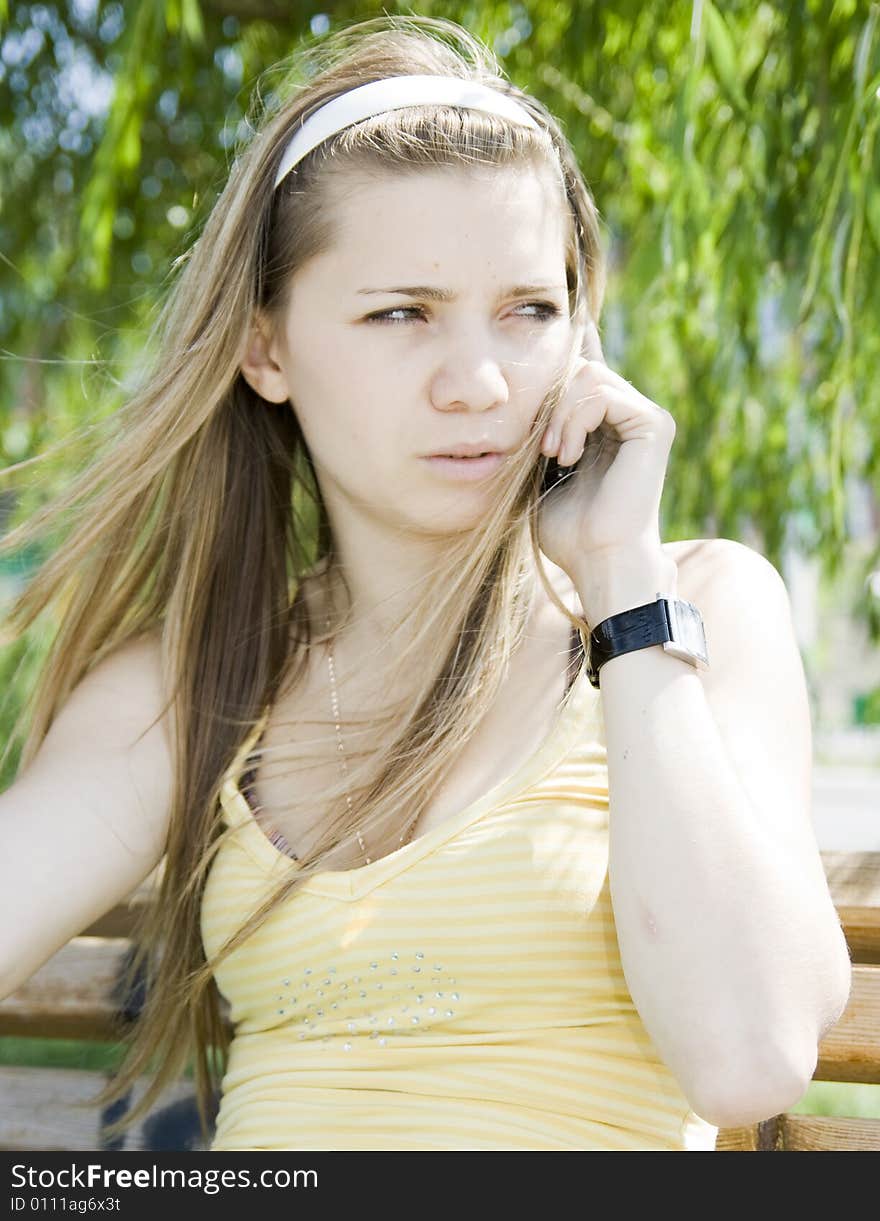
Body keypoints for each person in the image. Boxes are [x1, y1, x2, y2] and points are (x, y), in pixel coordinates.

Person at [0, 14, 851, 1153]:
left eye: (528, 311)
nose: (479, 382)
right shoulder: (199, 679)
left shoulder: (695, 610)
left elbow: (747, 1057)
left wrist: (616, 579)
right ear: (266, 350)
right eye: (401, 313)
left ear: (583, 335)